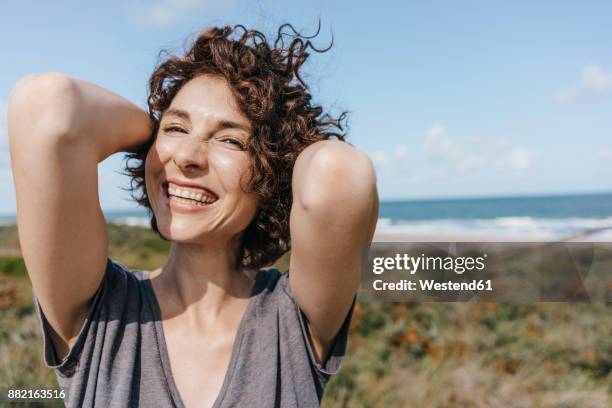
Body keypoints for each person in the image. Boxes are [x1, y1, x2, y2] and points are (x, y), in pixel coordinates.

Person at [8, 24, 378, 407]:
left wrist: (281, 152)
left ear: (271, 173)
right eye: (176, 127)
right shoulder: (99, 311)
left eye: (230, 140)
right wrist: (153, 143)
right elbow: (46, 105)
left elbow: (339, 175)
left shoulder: (292, 321)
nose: (186, 156)